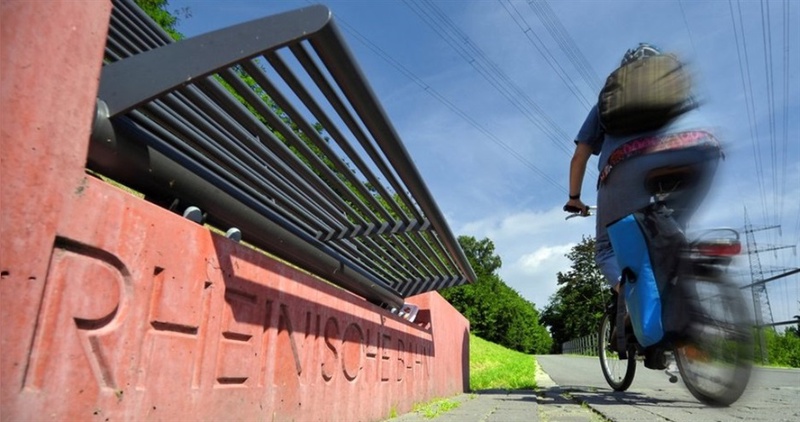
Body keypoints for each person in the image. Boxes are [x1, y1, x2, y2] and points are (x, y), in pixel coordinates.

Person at [565, 43, 723, 294]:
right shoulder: (675, 90)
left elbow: (579, 157)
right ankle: (690, 288)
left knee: (606, 250)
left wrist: (574, 198)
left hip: (626, 168)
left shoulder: (607, 103)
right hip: (699, 152)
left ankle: (633, 304)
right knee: (675, 235)